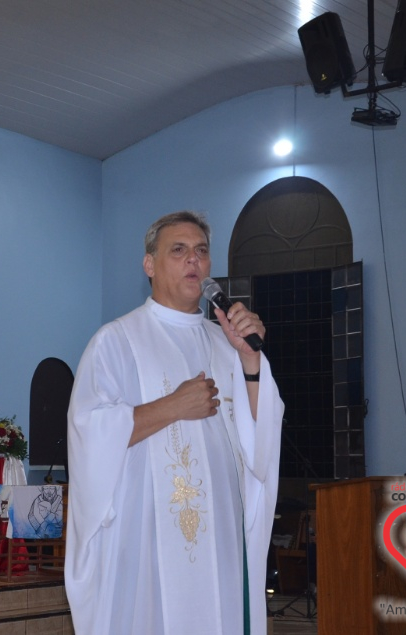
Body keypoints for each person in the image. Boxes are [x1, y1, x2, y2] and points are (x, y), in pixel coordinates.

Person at [65, 210, 284, 635]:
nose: (193, 262)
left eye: (201, 252)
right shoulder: (116, 340)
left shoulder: (226, 343)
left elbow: (261, 441)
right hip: (147, 540)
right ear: (149, 264)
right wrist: (173, 406)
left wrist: (251, 360)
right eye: (178, 250)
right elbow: (88, 433)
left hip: (221, 535)